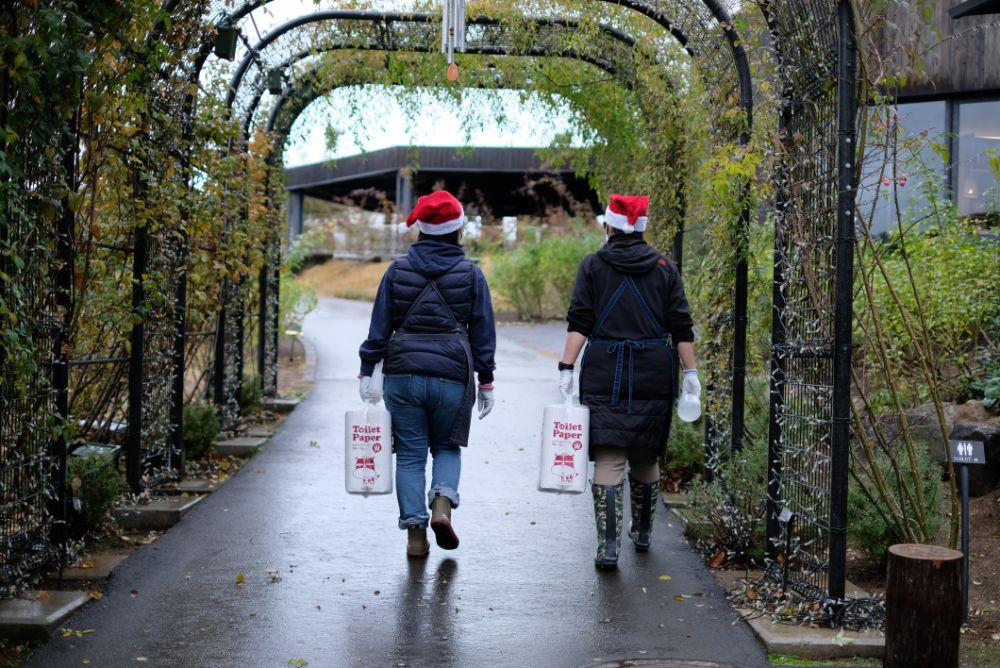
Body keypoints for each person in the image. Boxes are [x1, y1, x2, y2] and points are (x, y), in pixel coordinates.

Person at [557, 194, 701, 570]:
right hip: (654, 369)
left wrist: (566, 367)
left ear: (609, 225)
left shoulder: (593, 265)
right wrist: (691, 374)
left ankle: (607, 547)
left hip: (605, 369)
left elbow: (580, 321)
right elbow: (681, 327)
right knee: (645, 452)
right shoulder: (664, 267)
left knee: (609, 454)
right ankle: (642, 532)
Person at [359, 190, 497, 559]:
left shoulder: (397, 270)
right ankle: (442, 505)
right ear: (457, 231)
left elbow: (379, 326)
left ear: (420, 229)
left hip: (402, 372)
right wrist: (486, 379)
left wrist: (367, 369)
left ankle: (415, 536)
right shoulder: (471, 274)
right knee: (447, 446)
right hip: (452, 373)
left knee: (409, 455)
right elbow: (483, 331)